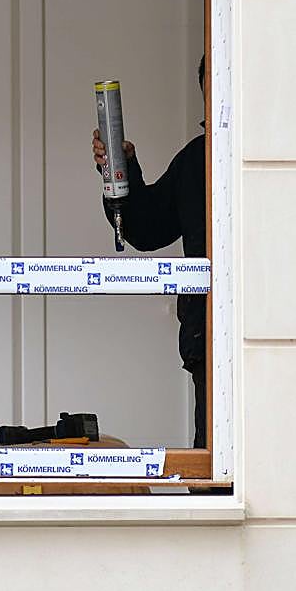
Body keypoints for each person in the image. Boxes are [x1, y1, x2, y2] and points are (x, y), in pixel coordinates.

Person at [92, 56, 207, 448]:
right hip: (207, 343)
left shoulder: (273, 161)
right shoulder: (198, 160)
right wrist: (120, 173)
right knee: (215, 466)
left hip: (272, 342)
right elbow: (146, 228)